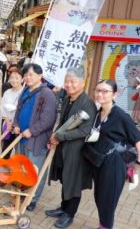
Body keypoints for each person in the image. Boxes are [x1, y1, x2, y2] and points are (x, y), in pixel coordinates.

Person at [84, 80, 140, 229]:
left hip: (115, 164)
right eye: (97, 90)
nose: (100, 94)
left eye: (105, 91)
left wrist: (138, 166)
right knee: (99, 197)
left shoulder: (121, 116)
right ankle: (103, 224)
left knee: (107, 200)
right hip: (100, 161)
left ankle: (105, 226)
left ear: (115, 94)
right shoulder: (99, 112)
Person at [46, 67, 97, 228]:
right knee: (65, 179)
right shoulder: (69, 99)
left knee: (73, 183)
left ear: (83, 83)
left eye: (73, 81)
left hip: (77, 152)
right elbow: (63, 124)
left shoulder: (87, 103)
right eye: (67, 81)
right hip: (64, 150)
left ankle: (69, 214)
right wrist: (55, 134)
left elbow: (84, 131)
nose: (69, 85)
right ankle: (63, 207)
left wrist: (60, 136)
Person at [12, 63, 57, 211]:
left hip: (36, 140)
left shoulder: (47, 93)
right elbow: (18, 110)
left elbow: (48, 119)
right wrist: (16, 124)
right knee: (22, 166)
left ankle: (32, 199)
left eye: (31, 74)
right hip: (21, 137)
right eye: (25, 75)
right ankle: (23, 193)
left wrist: (32, 131)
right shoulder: (25, 90)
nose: (27, 77)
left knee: (34, 169)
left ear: (40, 75)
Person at [0, 68, 23, 159]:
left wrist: (15, 123)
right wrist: (8, 122)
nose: (14, 80)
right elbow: (2, 108)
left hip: (19, 126)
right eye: (12, 78)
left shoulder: (24, 92)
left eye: (17, 78)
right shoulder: (7, 92)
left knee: (19, 151)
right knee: (6, 149)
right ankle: (2, 169)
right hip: (8, 125)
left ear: (22, 79)